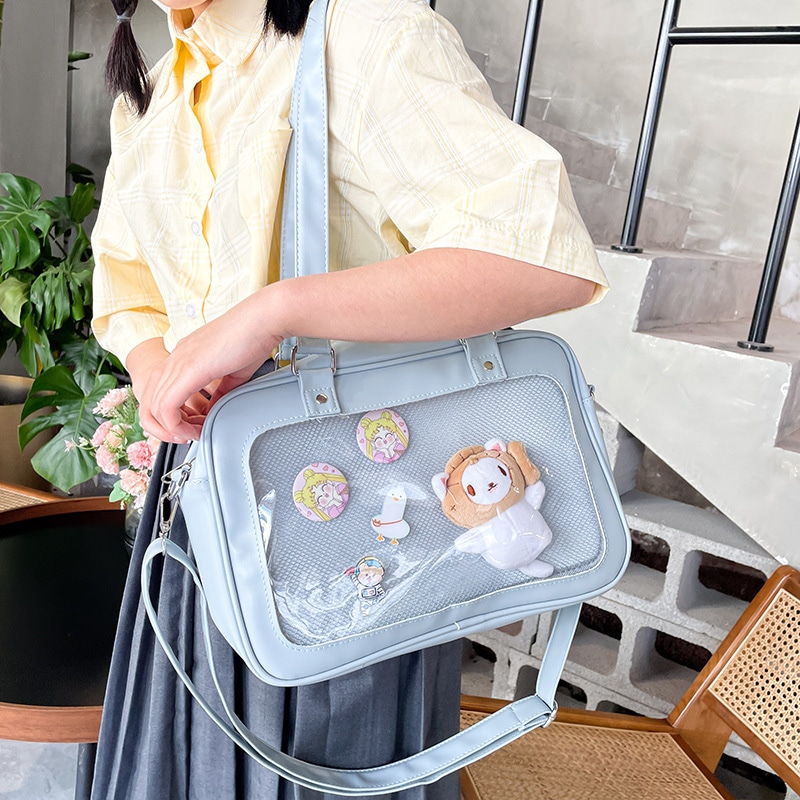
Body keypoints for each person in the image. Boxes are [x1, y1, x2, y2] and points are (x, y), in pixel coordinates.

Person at [90, 0, 609, 797]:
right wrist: (160, 369)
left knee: (326, 759)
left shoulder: (368, 35)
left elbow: (540, 260)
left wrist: (273, 313)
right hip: (200, 495)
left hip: (361, 511)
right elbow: (126, 286)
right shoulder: (149, 92)